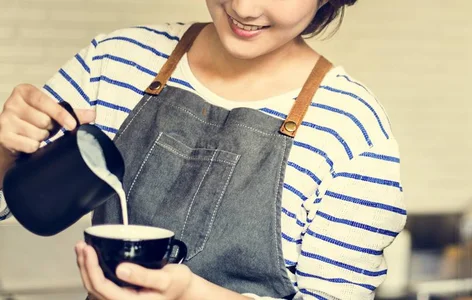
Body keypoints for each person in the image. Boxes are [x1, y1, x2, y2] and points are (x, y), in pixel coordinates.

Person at [0, 1, 407, 299]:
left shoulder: (353, 130)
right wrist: (5, 148)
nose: (244, 7)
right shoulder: (115, 61)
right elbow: (14, 200)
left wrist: (191, 295)